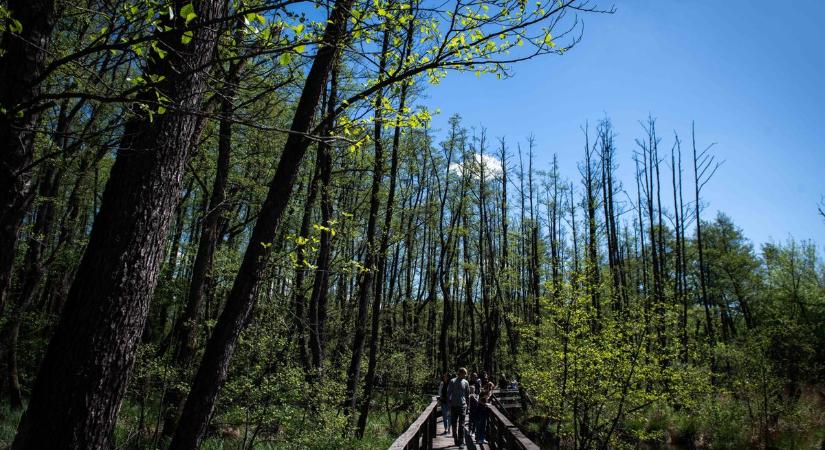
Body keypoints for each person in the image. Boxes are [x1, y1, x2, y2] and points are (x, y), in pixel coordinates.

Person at [446, 367, 470, 449]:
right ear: (459, 373)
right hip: (454, 406)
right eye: (464, 374)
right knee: (454, 424)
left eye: (465, 374)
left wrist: (468, 406)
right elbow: (448, 393)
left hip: (463, 406)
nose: (465, 375)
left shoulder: (466, 382)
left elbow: (467, 395)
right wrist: (449, 405)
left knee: (461, 425)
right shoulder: (453, 381)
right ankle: (455, 438)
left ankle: (461, 442)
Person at [476, 375, 496, 444]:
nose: (491, 389)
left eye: (491, 388)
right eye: (490, 387)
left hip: (485, 410)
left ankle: (482, 438)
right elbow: (479, 401)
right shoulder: (483, 392)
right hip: (481, 410)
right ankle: (478, 438)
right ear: (488, 386)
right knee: (480, 424)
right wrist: (485, 404)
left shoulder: (490, 393)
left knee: (484, 424)